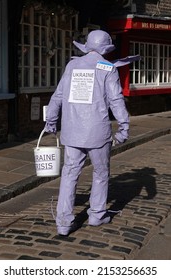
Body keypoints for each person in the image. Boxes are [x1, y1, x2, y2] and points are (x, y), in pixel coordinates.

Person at [45, 30, 129, 236]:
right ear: (106, 49)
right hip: (97, 132)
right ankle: (96, 215)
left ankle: (63, 222)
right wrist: (124, 126)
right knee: (101, 173)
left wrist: (51, 120)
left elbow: (58, 96)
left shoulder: (72, 65)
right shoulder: (108, 68)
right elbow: (116, 100)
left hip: (72, 131)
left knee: (69, 174)